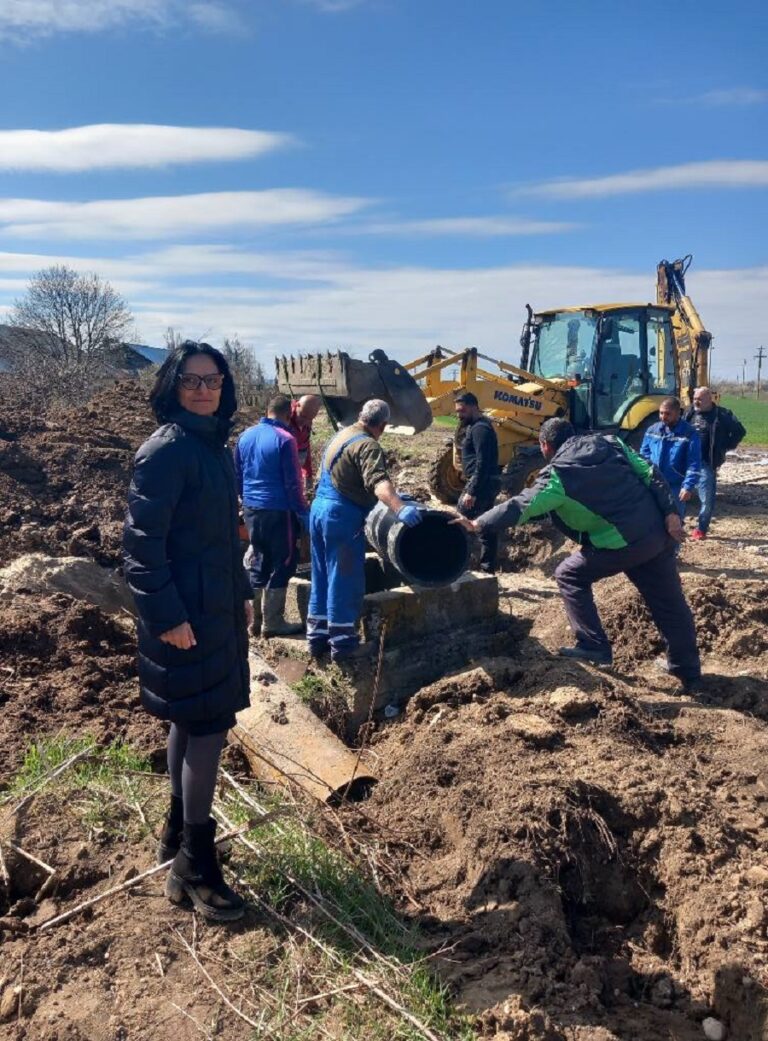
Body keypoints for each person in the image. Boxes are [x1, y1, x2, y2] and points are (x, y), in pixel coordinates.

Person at [124, 341, 252, 922]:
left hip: (214, 610)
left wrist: (244, 594)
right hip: (187, 620)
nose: (204, 389)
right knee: (207, 729)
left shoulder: (211, 447)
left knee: (191, 720)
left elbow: (222, 538)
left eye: (214, 380)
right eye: (192, 380)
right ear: (172, 385)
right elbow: (141, 551)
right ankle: (197, 867)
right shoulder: (167, 451)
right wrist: (168, 617)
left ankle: (176, 832)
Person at [452, 417, 702, 693]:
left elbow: (521, 506)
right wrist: (670, 512)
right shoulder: (611, 442)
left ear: (545, 446)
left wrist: (478, 523)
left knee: (569, 574)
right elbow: (649, 471)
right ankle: (688, 672)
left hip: (621, 543)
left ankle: (593, 646)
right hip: (656, 533)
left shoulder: (558, 475)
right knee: (670, 604)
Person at [307, 399, 422, 661]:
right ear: (383, 425)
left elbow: (347, 475)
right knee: (345, 577)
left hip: (319, 511)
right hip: (341, 516)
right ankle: (344, 645)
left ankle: (316, 638)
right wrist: (399, 507)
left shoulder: (343, 434)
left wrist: (393, 496)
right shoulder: (368, 445)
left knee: (322, 573)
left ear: (361, 415)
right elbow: (379, 484)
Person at [235, 395, 309, 638]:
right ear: (289, 414)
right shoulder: (285, 439)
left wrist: (245, 502)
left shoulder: (245, 436)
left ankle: (254, 622)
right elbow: (292, 482)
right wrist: (302, 512)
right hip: (278, 510)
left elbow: (237, 475)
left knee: (260, 558)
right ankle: (273, 622)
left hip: (252, 509)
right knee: (285, 561)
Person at [683, 386, 746, 540]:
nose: (696, 402)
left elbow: (740, 431)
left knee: (707, 499)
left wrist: (725, 445)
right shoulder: (689, 412)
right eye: (695, 398)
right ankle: (677, 525)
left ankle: (701, 529)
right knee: (679, 494)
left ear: (709, 399)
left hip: (706, 463)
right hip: (688, 461)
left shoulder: (722, 415)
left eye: (700, 399)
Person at [454, 391, 500, 573]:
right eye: (457, 412)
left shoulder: (481, 429)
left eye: (462, 411)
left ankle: (456, 568)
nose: (459, 415)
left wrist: (471, 491)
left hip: (481, 484)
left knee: (458, 524)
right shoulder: (476, 426)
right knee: (485, 527)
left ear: (474, 406)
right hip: (483, 483)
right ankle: (486, 570)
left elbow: (483, 462)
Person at [639, 396, 701, 525]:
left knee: (674, 524)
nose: (663, 417)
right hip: (654, 483)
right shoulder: (652, 431)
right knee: (653, 523)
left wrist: (688, 486)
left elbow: (694, 463)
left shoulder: (689, 434)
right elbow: (643, 456)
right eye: (661, 413)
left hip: (676, 487)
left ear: (678, 413)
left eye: (667, 414)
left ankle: (674, 546)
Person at [288, 394, 322, 490]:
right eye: (303, 416)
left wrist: (308, 475)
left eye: (310, 419)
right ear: (297, 405)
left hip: (298, 460)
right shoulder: (284, 418)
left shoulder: (307, 419)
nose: (305, 421)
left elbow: (305, 446)